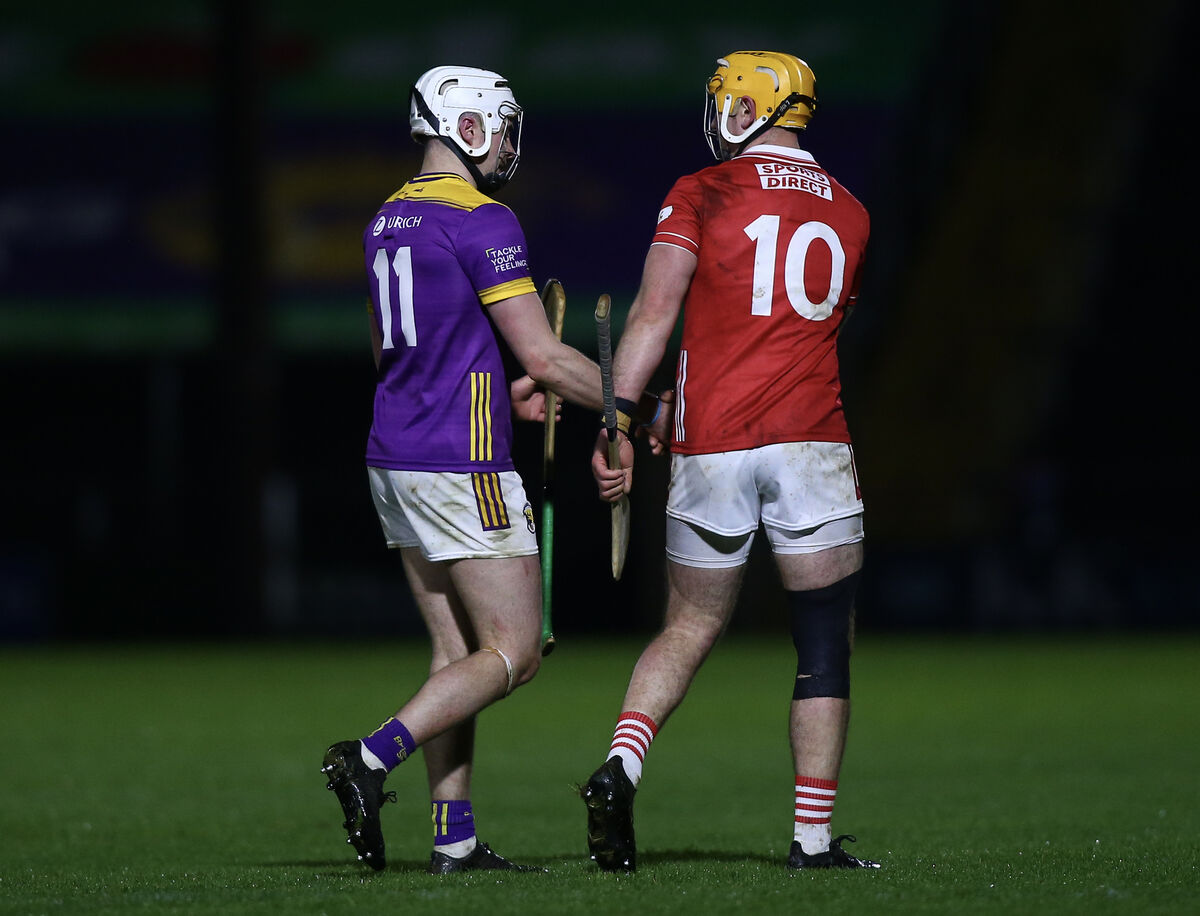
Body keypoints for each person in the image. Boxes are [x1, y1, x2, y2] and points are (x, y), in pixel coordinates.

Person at [582, 51, 880, 871]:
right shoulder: (853, 212)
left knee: (688, 626)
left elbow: (652, 316)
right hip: (811, 439)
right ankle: (811, 841)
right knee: (823, 644)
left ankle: (621, 765)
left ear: (749, 107)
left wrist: (619, 419)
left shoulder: (699, 192)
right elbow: (800, 332)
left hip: (712, 445)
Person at [321, 64, 610, 874]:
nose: (510, 142)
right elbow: (548, 358)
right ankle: (370, 761)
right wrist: (640, 407)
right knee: (515, 651)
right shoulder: (485, 218)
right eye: (504, 125)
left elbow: (392, 352)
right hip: (462, 463)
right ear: (470, 125)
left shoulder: (387, 217)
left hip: (395, 459)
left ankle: (452, 840)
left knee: (458, 658)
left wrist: (497, 385)